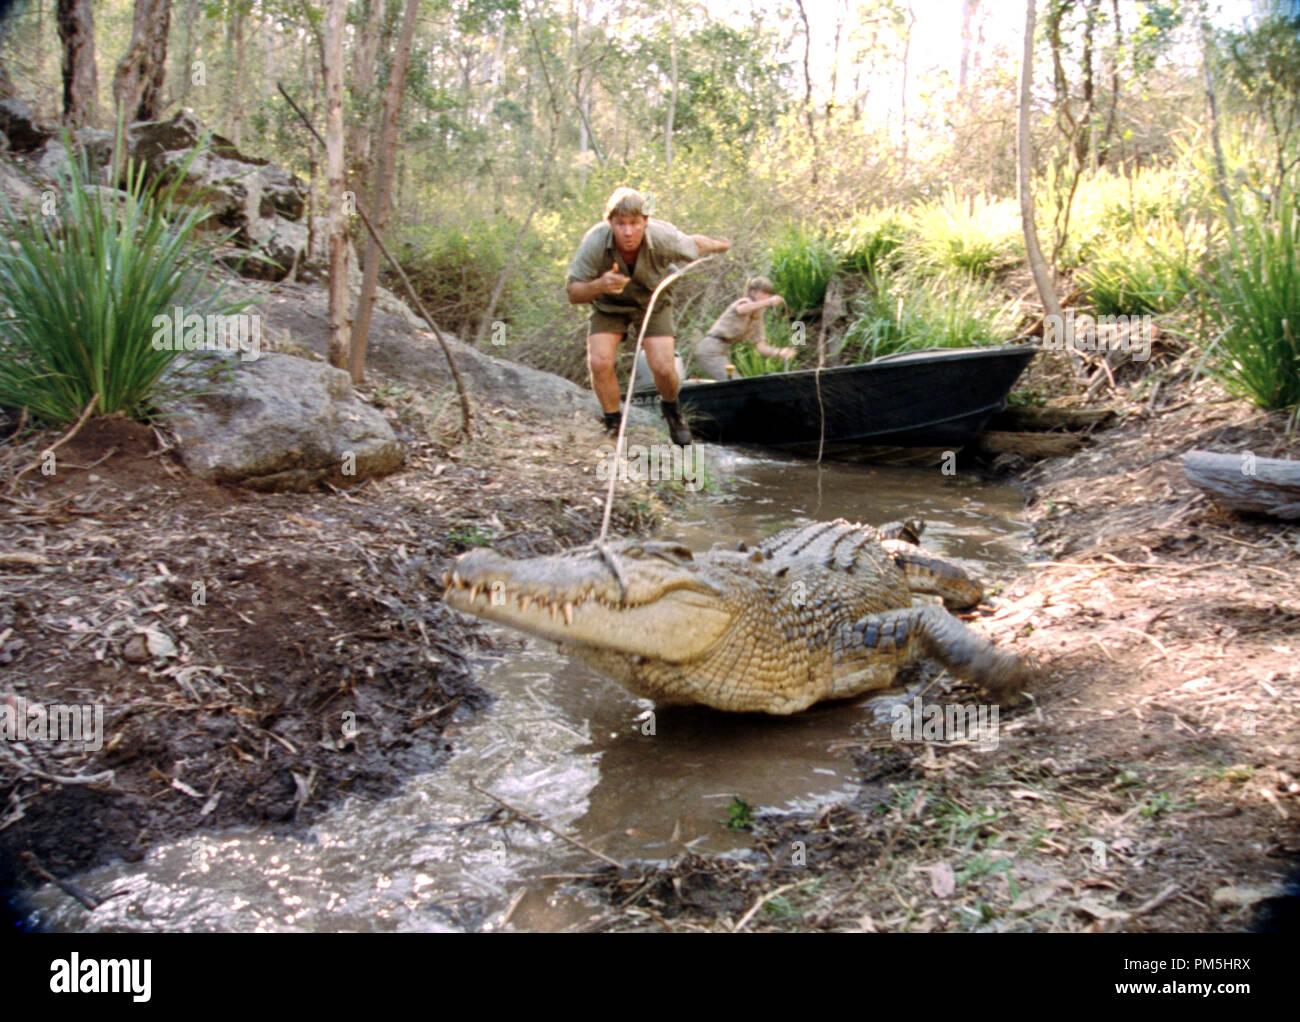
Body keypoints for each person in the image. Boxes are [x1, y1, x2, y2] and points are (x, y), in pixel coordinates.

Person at [567, 187, 730, 445]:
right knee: (599, 362)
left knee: (663, 367)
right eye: (620, 224)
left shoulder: (663, 236)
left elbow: (694, 244)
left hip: (654, 301)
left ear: (646, 221)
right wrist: (599, 285)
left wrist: (720, 245)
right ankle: (612, 423)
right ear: (609, 223)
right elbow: (573, 292)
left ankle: (672, 411)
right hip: (609, 303)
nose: (628, 231)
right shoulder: (595, 242)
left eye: (634, 223)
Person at [693, 276, 795, 381]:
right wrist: (768, 302)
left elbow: (761, 348)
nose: (767, 296)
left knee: (735, 382)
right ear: (753, 292)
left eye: (769, 294)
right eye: (764, 293)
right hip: (710, 349)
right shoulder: (745, 302)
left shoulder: (758, 317)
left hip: (723, 351)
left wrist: (779, 352)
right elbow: (742, 309)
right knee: (733, 383)